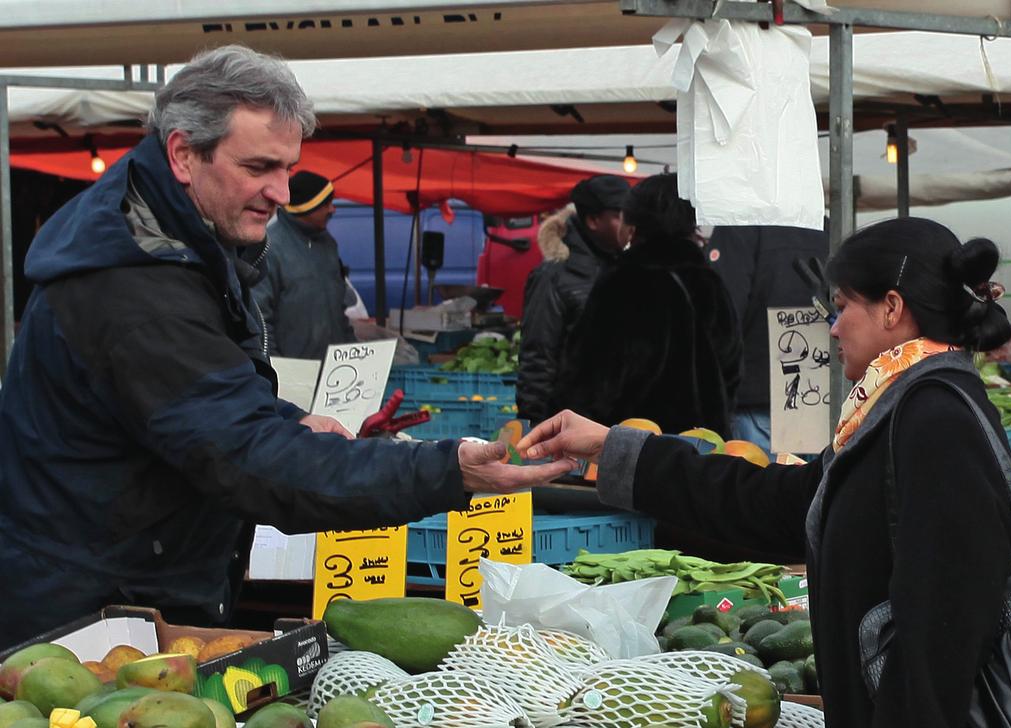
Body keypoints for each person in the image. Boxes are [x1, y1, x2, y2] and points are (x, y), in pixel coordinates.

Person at [0, 45, 572, 649]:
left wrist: (291, 420)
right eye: (258, 167)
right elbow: (242, 453)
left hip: (134, 577)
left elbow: (196, 399)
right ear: (183, 155)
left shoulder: (174, 242)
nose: (280, 192)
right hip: (85, 614)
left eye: (287, 167)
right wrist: (444, 469)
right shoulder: (134, 286)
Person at [519, 217, 1011, 728]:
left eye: (843, 307)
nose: (833, 327)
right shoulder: (895, 408)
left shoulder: (936, 420)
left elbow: (942, 636)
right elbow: (778, 504)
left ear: (891, 308)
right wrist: (613, 446)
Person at [552, 173, 741, 437]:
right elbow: (732, 367)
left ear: (632, 226)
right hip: (704, 447)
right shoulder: (710, 281)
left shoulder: (622, 283)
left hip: (634, 447)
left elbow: (590, 380)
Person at [517, 174, 630, 424]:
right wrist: (535, 424)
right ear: (593, 220)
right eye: (620, 215)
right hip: (568, 425)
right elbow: (538, 356)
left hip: (615, 425)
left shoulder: (623, 270)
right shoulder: (554, 276)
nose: (629, 224)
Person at [706, 224, 829, 452]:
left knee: (758, 482)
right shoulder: (821, 223)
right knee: (808, 483)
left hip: (756, 398)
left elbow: (723, 318)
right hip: (816, 398)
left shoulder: (739, 227)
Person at [252, 171, 357, 359]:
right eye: (326, 204)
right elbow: (260, 319)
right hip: (293, 376)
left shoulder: (328, 244)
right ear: (307, 208)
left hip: (335, 370)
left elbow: (339, 311)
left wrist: (352, 355)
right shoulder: (269, 248)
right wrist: (277, 371)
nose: (333, 209)